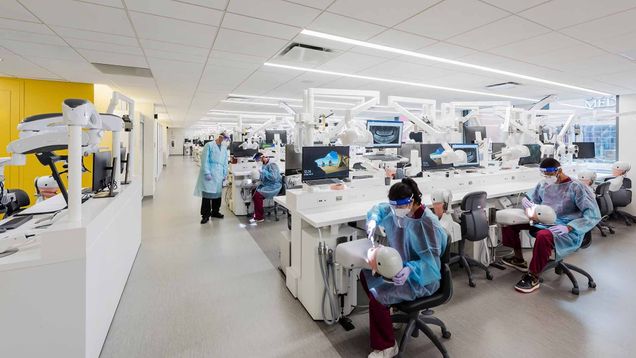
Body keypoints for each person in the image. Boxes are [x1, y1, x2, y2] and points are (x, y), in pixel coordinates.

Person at [363, 178, 448, 358]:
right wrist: (372, 220)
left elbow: (432, 266)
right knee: (366, 275)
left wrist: (410, 269)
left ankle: (387, 346)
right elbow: (381, 209)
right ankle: (389, 314)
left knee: (378, 295)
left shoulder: (427, 224)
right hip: (398, 268)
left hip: (423, 280)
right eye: (393, 207)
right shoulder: (399, 210)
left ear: (411, 202)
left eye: (398, 207)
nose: (394, 212)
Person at [501, 158, 600, 293]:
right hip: (543, 221)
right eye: (545, 175)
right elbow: (532, 199)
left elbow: (593, 215)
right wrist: (527, 204)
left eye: (549, 175)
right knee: (510, 222)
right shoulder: (543, 184)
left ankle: (533, 275)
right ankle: (518, 259)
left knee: (543, 236)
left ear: (559, 171)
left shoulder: (577, 187)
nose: (547, 178)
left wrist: (569, 227)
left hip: (567, 227)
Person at [194, 133, 229, 224]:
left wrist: (225, 173)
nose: (225, 141)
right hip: (210, 172)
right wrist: (207, 172)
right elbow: (204, 159)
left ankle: (215, 212)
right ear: (220, 137)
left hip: (219, 173)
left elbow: (225, 161)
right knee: (207, 195)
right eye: (225, 139)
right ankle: (205, 215)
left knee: (217, 194)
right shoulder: (209, 145)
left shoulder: (224, 148)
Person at [250, 152, 282, 223]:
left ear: (263, 157)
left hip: (274, 186)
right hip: (268, 185)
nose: (259, 161)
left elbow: (274, 177)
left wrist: (263, 172)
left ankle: (260, 217)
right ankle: (257, 213)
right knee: (253, 191)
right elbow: (264, 176)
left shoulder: (272, 164)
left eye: (259, 159)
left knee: (257, 195)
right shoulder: (264, 165)